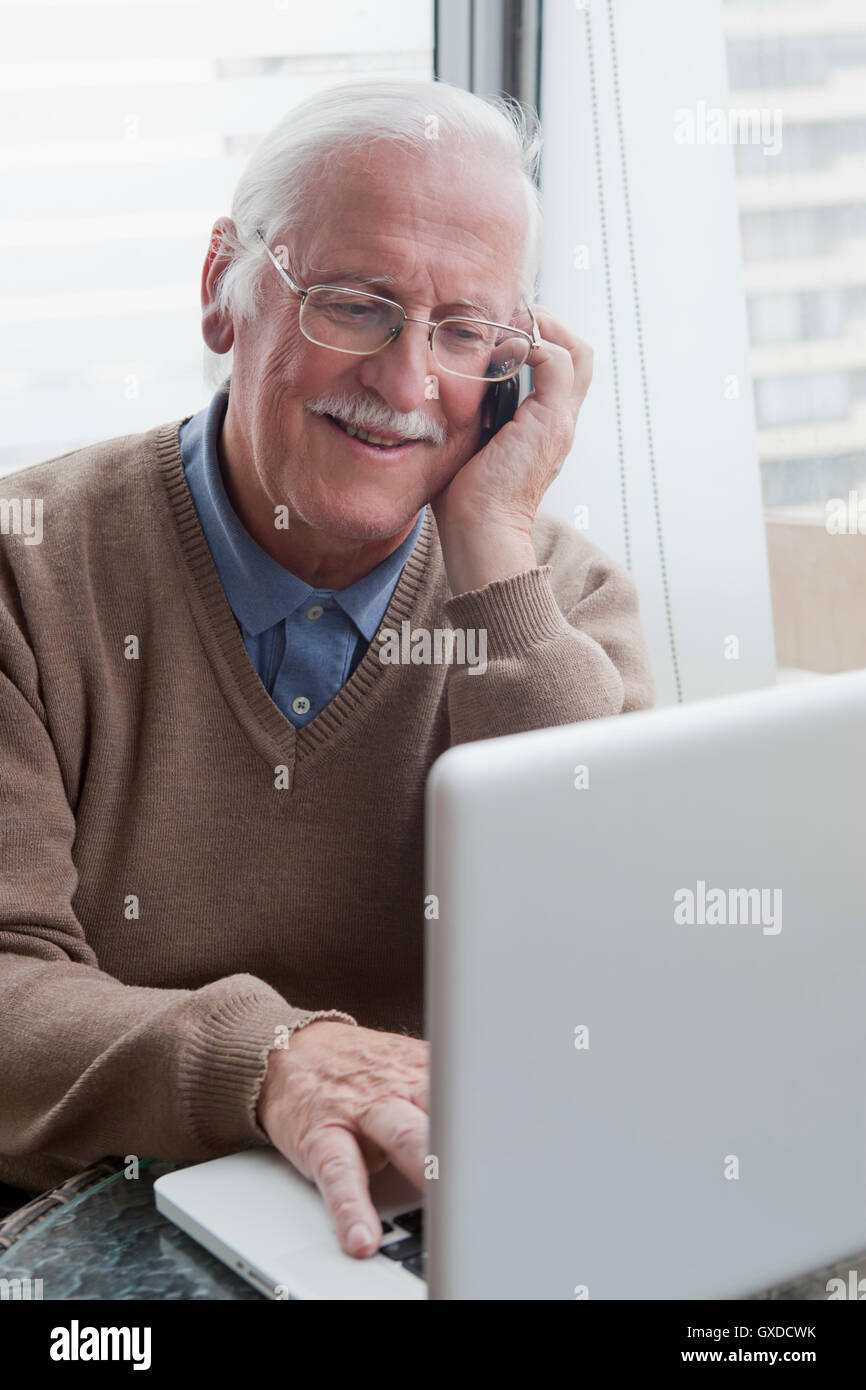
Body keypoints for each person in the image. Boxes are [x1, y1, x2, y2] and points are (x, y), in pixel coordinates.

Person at [0, 79, 654, 1259]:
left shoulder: (558, 601)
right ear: (221, 290)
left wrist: (492, 560)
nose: (407, 383)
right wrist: (271, 1062)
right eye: (357, 306)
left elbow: (615, 986)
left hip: (439, 1226)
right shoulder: (26, 573)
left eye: (464, 332)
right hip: (88, 1236)